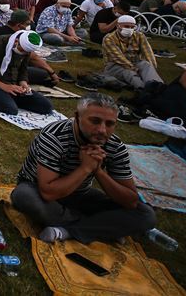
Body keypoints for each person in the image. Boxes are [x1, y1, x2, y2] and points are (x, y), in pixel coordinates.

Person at [10, 93, 156, 243]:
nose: (102, 130)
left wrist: (98, 171)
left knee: (145, 214)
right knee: (23, 196)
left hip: (79, 195)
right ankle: (103, 228)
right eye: (95, 121)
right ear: (77, 116)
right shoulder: (54, 137)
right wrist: (85, 168)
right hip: (39, 192)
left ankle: (69, 230)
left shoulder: (115, 146)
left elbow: (130, 200)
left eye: (109, 124)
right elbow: (48, 193)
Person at [0, 30, 55, 115]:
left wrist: (23, 83)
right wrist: (5, 87)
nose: (24, 54)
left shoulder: (26, 50)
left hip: (14, 86)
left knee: (46, 107)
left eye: (27, 52)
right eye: (23, 51)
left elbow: (23, 70)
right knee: (11, 110)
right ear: (16, 41)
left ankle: (10, 99)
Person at [99, 15, 163, 91]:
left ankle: (158, 86)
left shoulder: (139, 36)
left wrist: (152, 67)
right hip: (115, 65)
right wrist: (136, 69)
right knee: (129, 73)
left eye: (132, 27)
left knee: (146, 65)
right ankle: (143, 89)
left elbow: (148, 53)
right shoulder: (109, 38)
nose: (129, 29)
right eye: (126, 26)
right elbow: (119, 58)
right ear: (117, 26)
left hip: (135, 61)